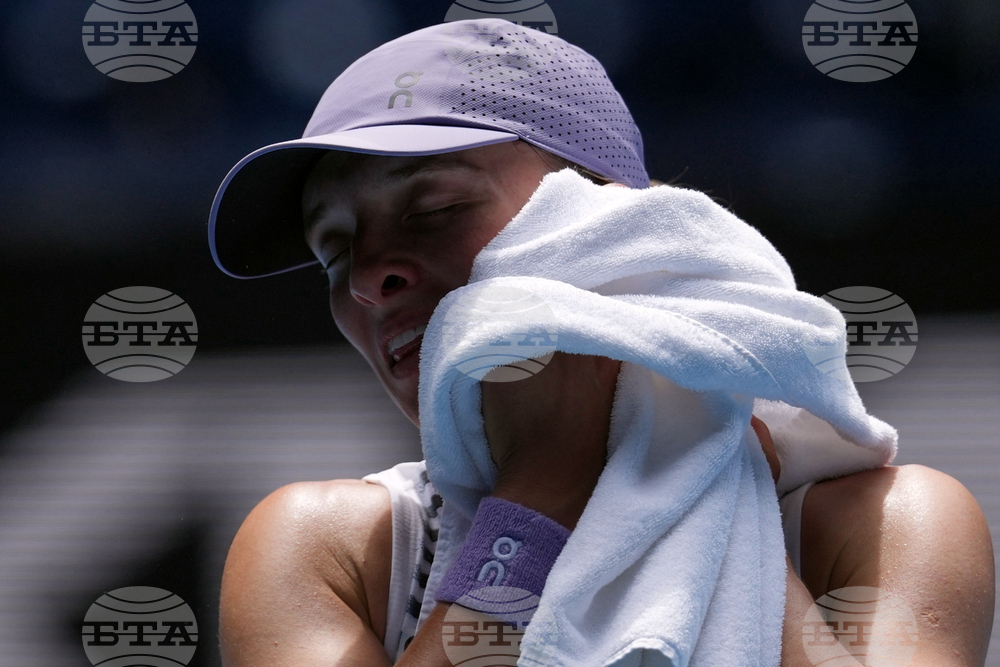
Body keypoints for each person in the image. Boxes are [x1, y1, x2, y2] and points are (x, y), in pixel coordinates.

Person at [209, 19, 995, 667]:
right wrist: (542, 488)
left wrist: (697, 460)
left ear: (611, 222)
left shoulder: (894, 522)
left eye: (433, 210)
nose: (367, 280)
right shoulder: (317, 547)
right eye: (336, 252)